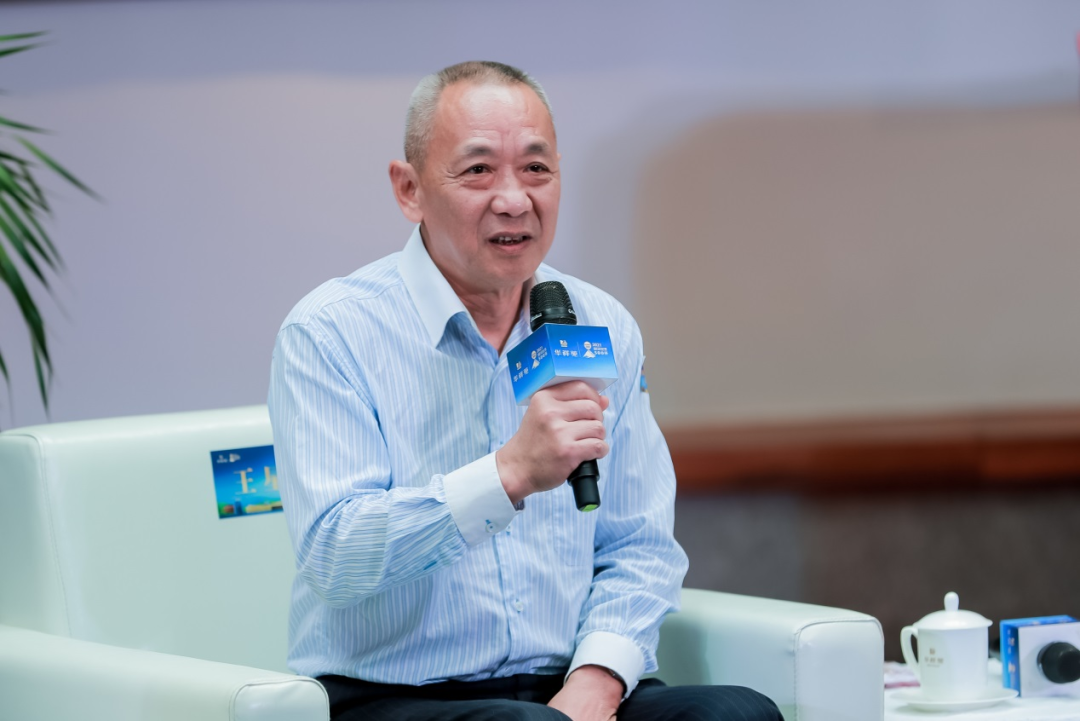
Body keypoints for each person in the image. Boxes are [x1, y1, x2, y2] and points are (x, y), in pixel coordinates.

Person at [268, 61, 782, 721]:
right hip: (392, 696)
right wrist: (509, 473)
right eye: (479, 170)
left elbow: (640, 544)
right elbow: (336, 556)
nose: (514, 199)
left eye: (536, 169)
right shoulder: (331, 331)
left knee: (736, 713)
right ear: (409, 189)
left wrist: (597, 680)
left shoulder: (598, 323)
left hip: (563, 687)